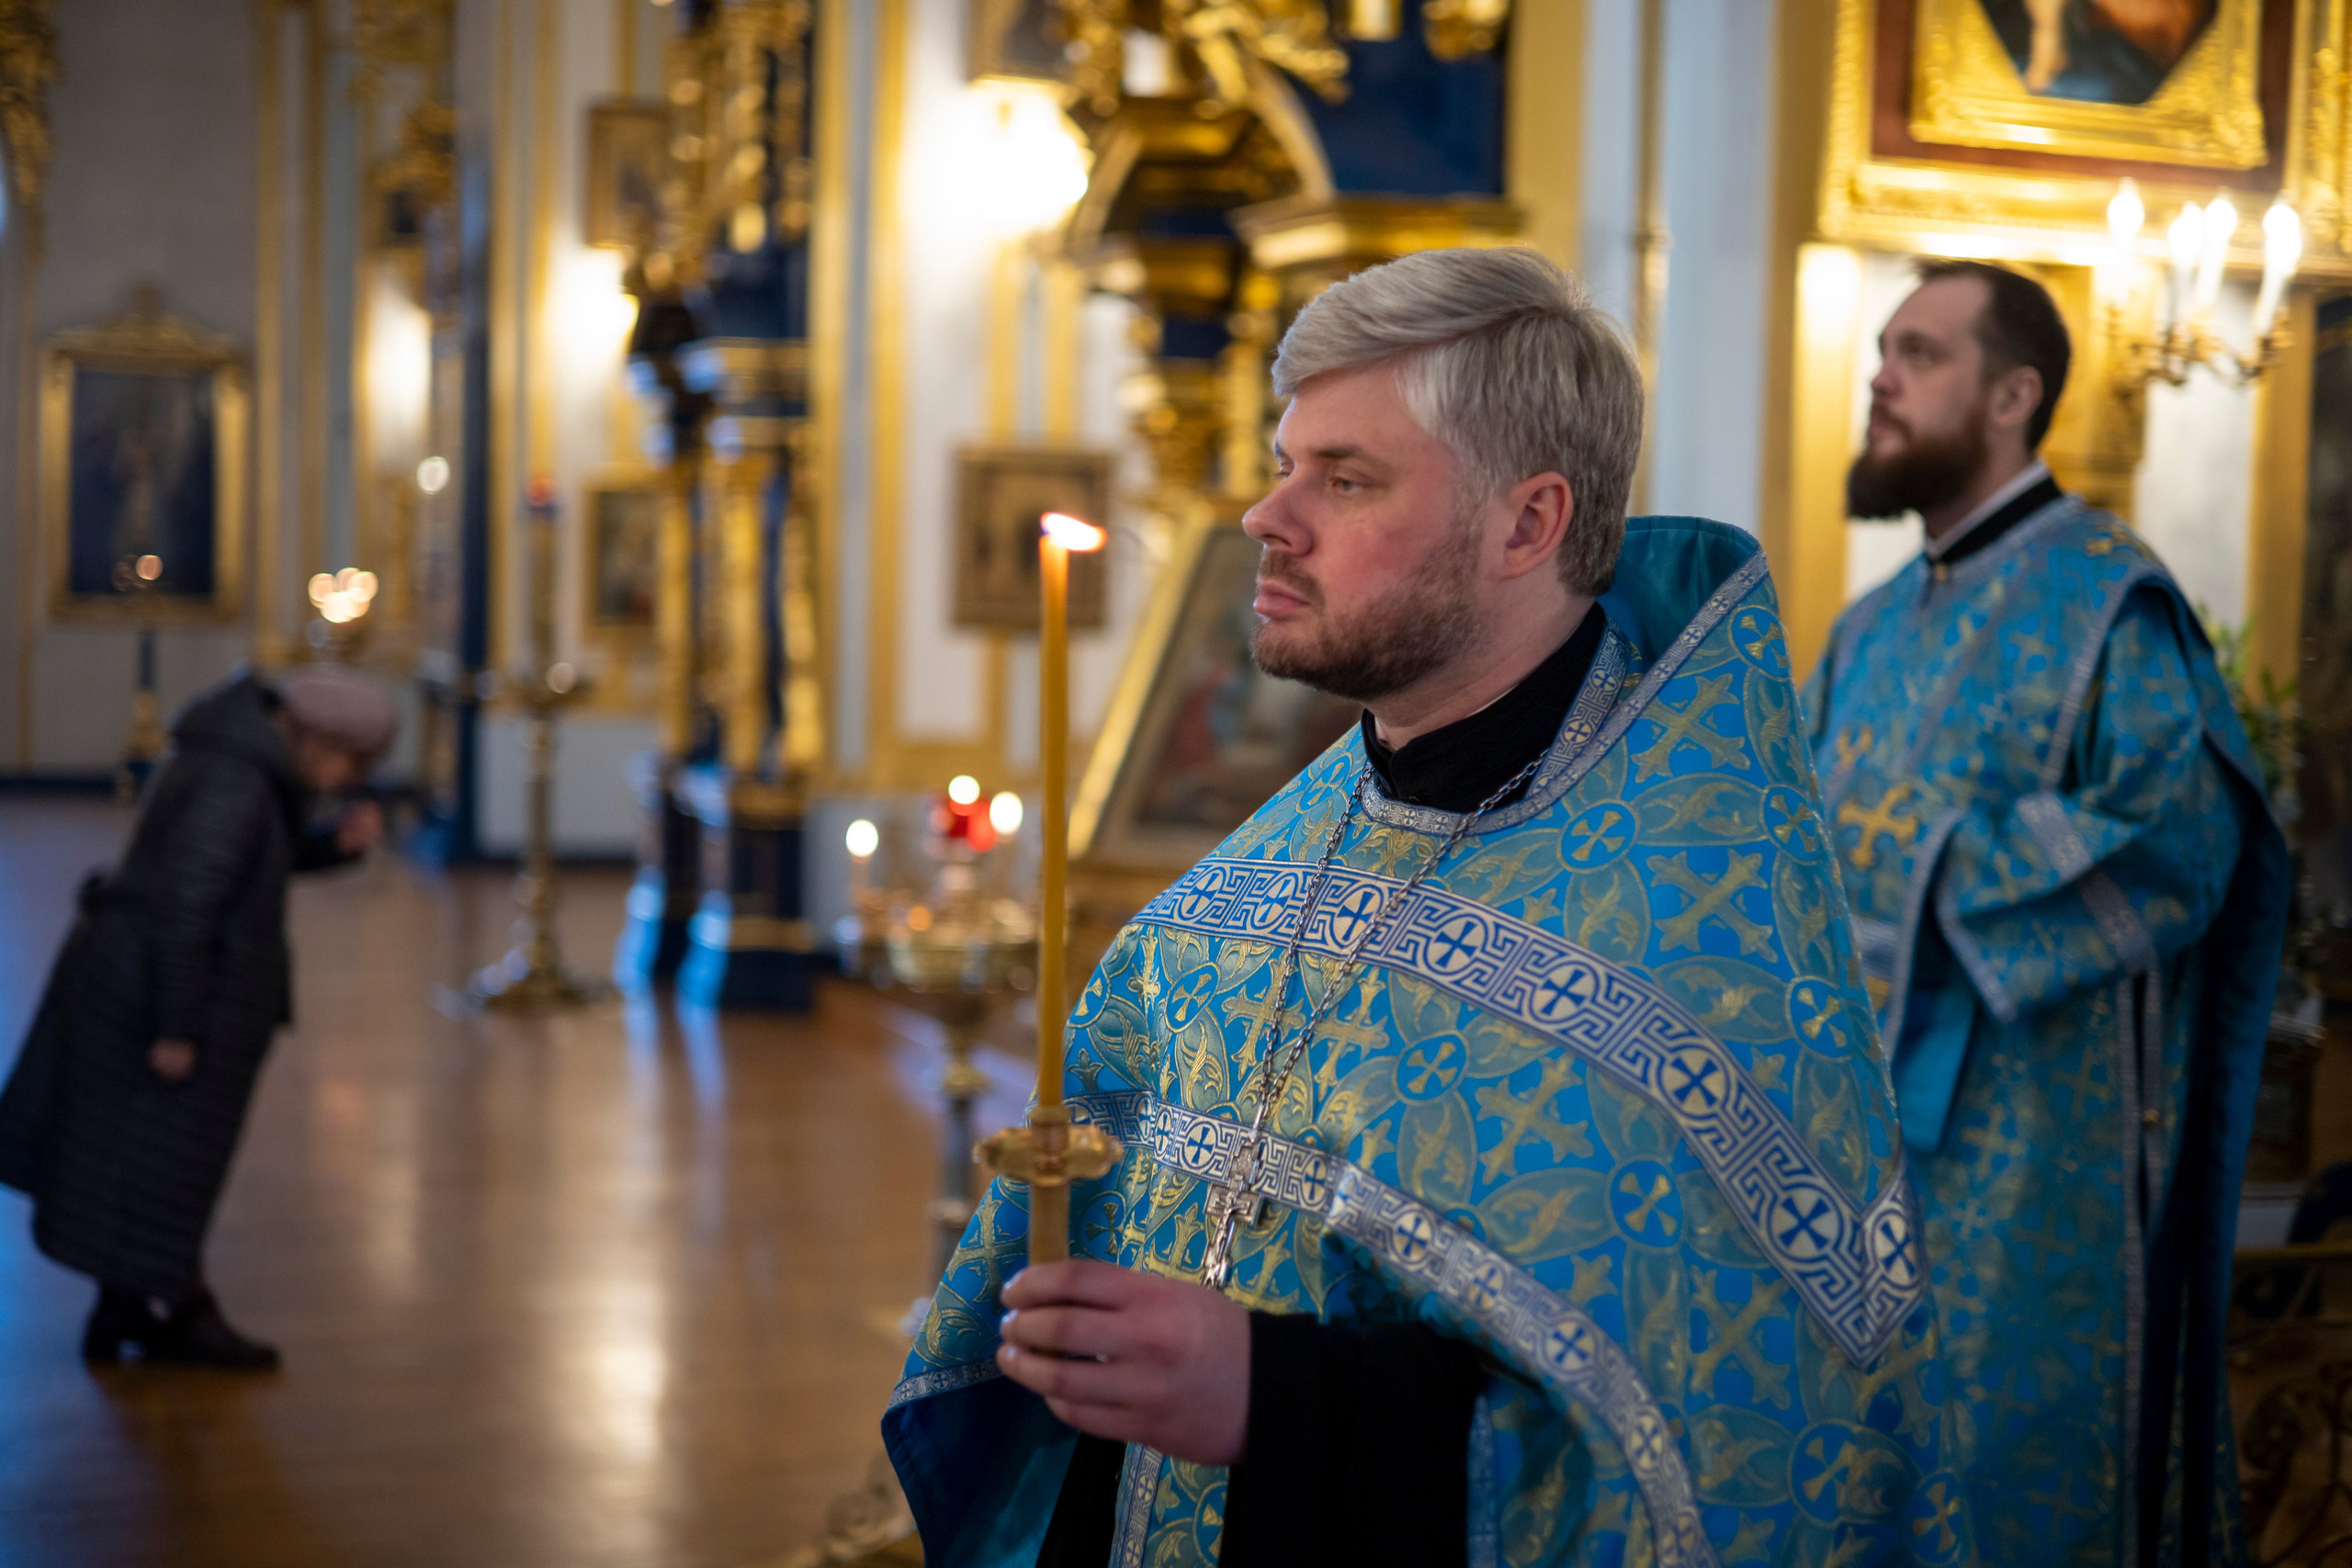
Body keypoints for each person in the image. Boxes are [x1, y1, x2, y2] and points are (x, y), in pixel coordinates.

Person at [885, 248, 1973, 1566]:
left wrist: (1279, 1399)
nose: (1268, 516)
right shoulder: (1244, 884)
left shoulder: (1688, 939)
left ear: (1527, 524)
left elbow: (1728, 1443)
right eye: (1288, 463)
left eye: (1344, 479)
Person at [1803, 259, 2289, 1562]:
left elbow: (2180, 839)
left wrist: (1921, 863)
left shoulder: (2109, 599)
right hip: (1864, 1164)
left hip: (2035, 1161)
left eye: (1919, 353)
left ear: (2013, 393)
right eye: (1882, 352)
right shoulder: (1866, 628)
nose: (1881, 378)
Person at [0, 665, 396, 1370]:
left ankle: (126, 1306)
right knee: (164, 1164)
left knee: (143, 1162)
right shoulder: (236, 783)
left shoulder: (241, 763)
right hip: (165, 995)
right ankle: (180, 1314)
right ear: (316, 740)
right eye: (349, 763)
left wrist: (334, 846)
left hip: (143, 984)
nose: (343, 780)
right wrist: (177, 1026)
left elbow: (249, 869)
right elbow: (186, 907)